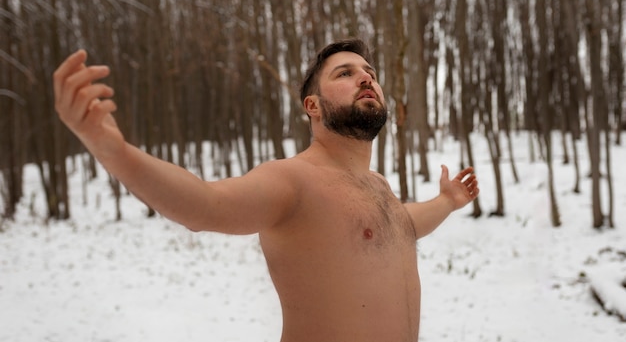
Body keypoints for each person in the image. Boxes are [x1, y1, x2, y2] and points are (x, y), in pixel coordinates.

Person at [53, 38, 479, 342]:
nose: (366, 80)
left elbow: (400, 227)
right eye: (345, 74)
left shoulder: (378, 185)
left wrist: (446, 202)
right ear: (312, 106)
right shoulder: (292, 180)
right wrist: (115, 151)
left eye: (369, 73)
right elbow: (206, 206)